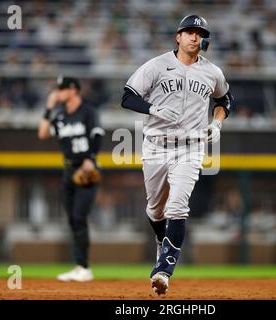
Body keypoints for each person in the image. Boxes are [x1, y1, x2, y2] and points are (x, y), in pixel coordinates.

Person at [121, 15, 233, 295]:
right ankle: (163, 242)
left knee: (178, 208)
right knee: (155, 209)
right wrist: (152, 109)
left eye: (199, 33)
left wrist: (217, 122)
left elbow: (224, 100)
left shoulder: (212, 72)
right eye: (189, 32)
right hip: (156, 145)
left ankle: (163, 271)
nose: (194, 37)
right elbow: (127, 96)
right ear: (178, 36)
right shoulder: (157, 66)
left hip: (191, 147)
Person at [38, 76, 105, 282]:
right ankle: (80, 266)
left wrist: (90, 159)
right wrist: (49, 108)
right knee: (72, 219)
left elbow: (97, 135)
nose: (58, 93)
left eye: (62, 89)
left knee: (78, 217)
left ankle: (83, 267)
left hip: (86, 169)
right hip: (68, 171)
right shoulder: (59, 116)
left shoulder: (88, 111)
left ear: (74, 90)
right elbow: (42, 133)